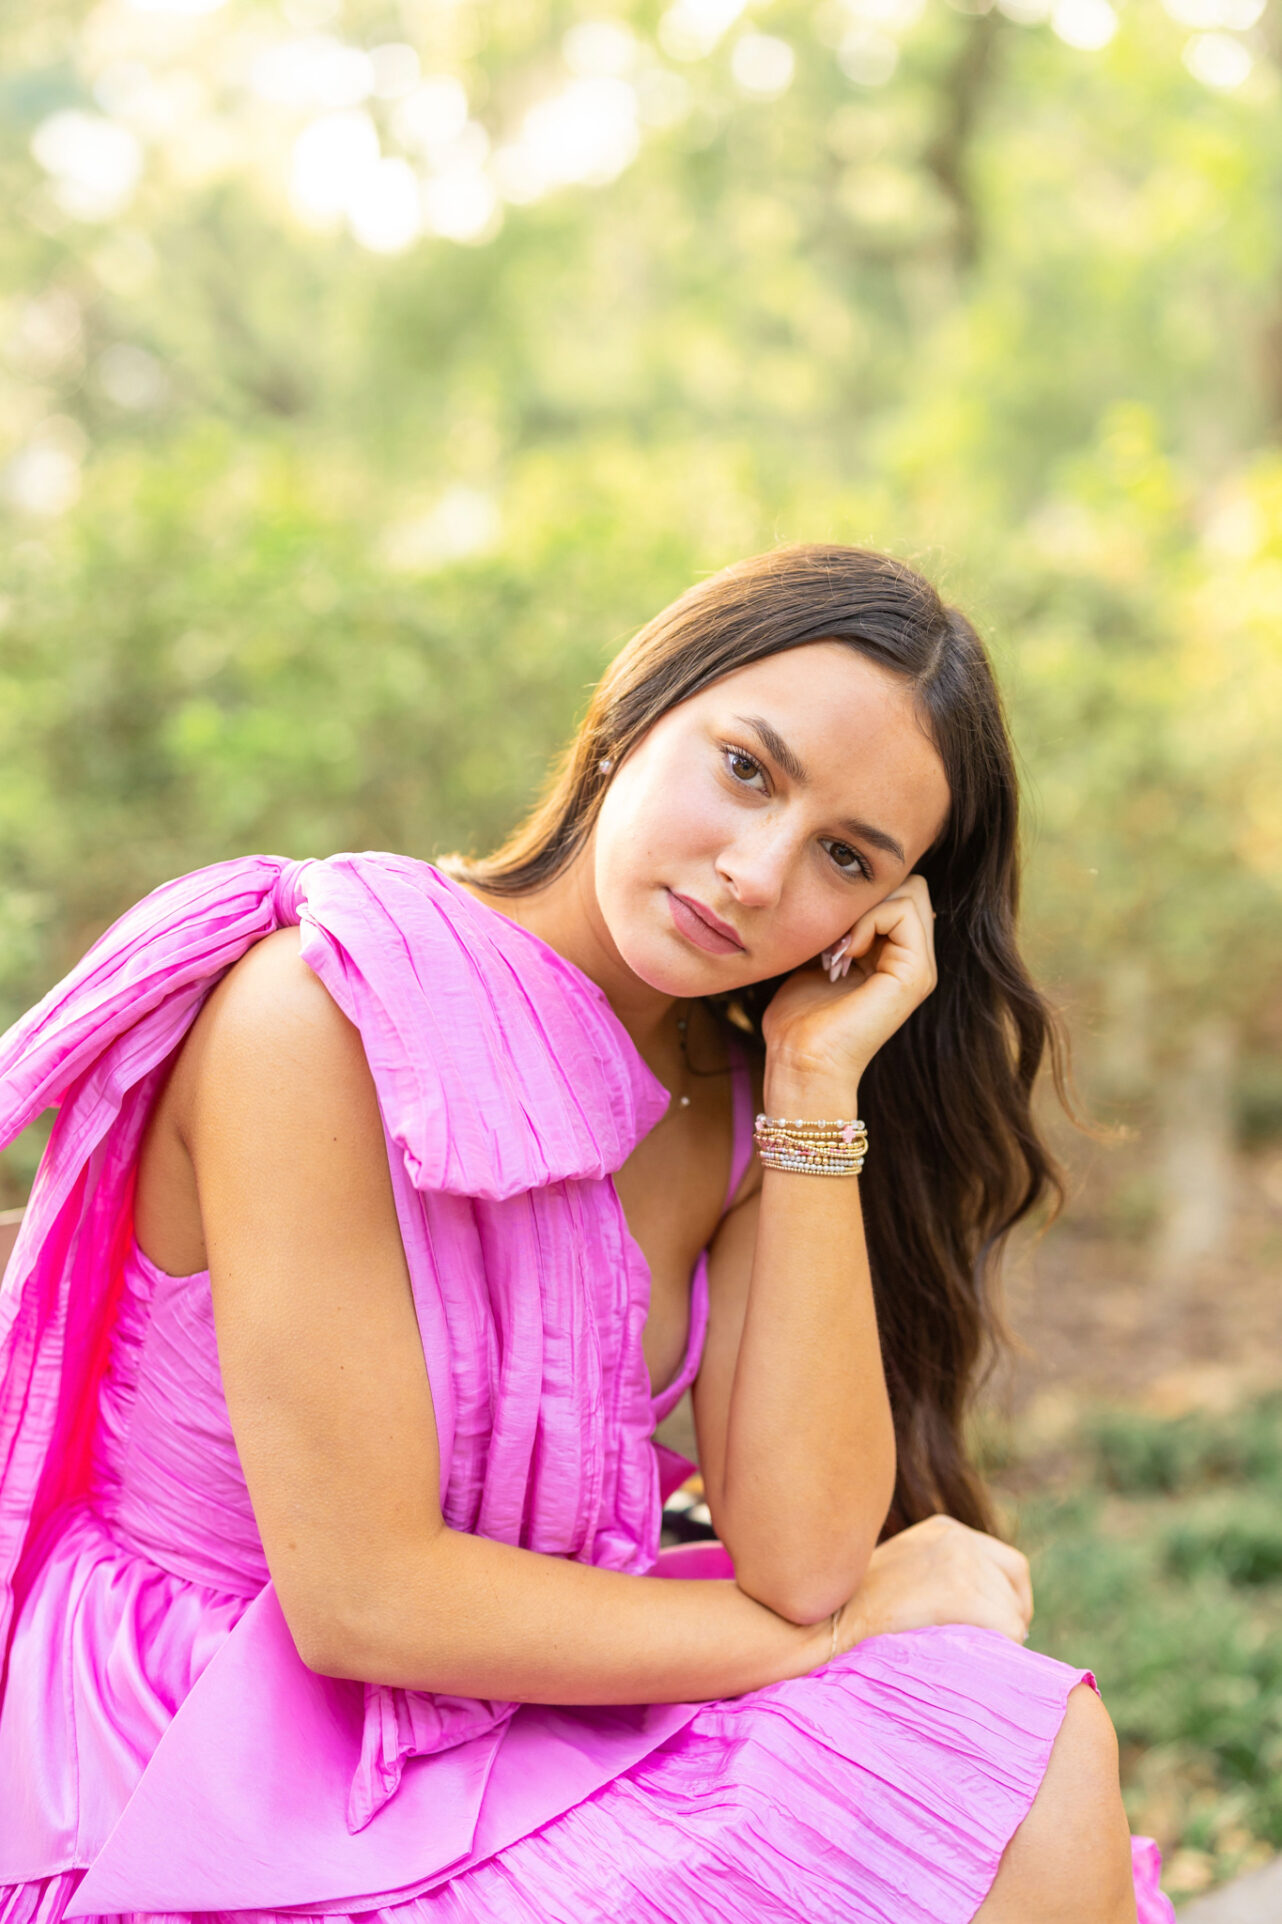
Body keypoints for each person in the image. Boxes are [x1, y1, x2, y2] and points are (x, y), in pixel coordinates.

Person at [0, 543, 1172, 1923]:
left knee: (1018, 1741)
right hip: (215, 1737)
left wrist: (810, 1087)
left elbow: (798, 1553)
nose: (753, 872)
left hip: (518, 1703)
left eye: (840, 857)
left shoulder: (737, 1103)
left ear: (878, 918)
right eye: (746, 768)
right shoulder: (313, 1012)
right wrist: (852, 1623)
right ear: (633, 707)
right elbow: (362, 1603)